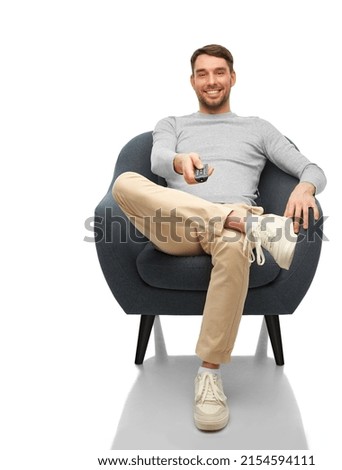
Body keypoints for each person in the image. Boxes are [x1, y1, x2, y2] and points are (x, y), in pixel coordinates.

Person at [112, 44, 326, 432]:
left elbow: (311, 167)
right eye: (202, 73)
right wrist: (179, 161)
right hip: (177, 225)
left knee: (231, 242)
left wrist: (306, 188)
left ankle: (209, 375)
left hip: (232, 229)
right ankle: (248, 225)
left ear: (232, 77)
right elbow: (158, 159)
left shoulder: (257, 128)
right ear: (192, 80)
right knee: (126, 182)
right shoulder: (172, 123)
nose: (211, 81)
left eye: (219, 72)